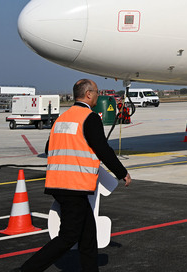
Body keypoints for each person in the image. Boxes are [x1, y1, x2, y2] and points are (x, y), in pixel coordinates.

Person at [20, 79, 131, 272]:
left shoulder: (62, 118)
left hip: (58, 184)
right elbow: (103, 149)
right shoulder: (89, 117)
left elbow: (49, 148)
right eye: (97, 91)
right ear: (88, 94)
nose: (98, 95)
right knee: (68, 237)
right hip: (74, 186)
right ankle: (26, 269)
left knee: (88, 235)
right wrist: (122, 173)